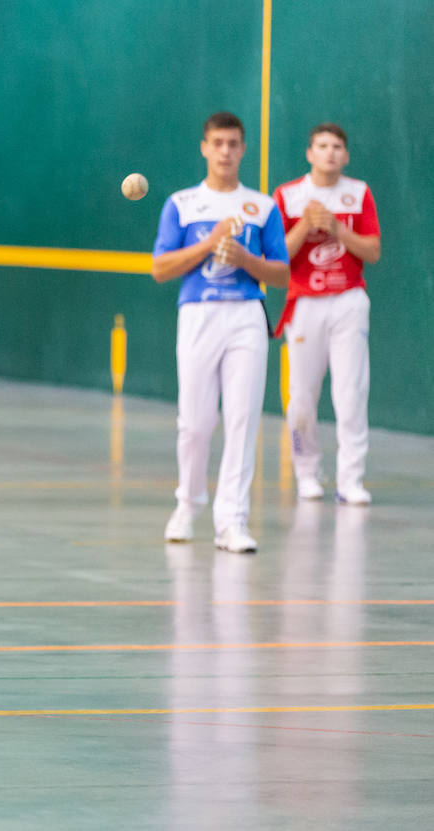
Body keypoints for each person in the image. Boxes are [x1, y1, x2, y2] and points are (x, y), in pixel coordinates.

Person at [152, 112, 290, 553]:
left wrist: (246, 259)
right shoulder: (181, 204)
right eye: (218, 143)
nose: (226, 151)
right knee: (195, 423)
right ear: (204, 147)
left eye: (233, 143)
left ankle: (232, 520)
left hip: (247, 316)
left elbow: (283, 273)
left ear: (243, 149)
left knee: (243, 419)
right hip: (198, 315)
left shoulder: (262, 207)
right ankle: (187, 505)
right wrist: (208, 244)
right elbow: (160, 268)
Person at [273, 123, 381, 505]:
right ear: (310, 153)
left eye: (337, 146)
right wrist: (306, 224)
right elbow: (277, 256)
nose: (330, 152)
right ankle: (306, 473)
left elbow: (372, 251)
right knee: (302, 395)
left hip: (349, 302)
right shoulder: (288, 196)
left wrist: (336, 228)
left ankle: (351, 480)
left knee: (351, 393)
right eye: (322, 145)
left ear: (346, 155)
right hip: (304, 303)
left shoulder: (358, 193)